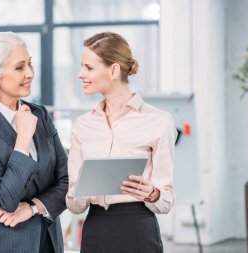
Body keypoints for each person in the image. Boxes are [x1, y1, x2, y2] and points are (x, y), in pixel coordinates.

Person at [0, 31, 68, 253]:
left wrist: (34, 208)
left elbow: (67, 181)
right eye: (19, 67)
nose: (30, 73)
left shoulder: (40, 115)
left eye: (30, 64)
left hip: (47, 241)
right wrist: (23, 139)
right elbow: (5, 197)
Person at [66, 32, 177, 253]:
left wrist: (152, 193)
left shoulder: (158, 121)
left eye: (88, 67)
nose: (80, 74)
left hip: (138, 228)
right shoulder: (82, 125)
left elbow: (166, 200)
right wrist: (83, 191)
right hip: (95, 229)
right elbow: (73, 204)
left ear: (114, 70)